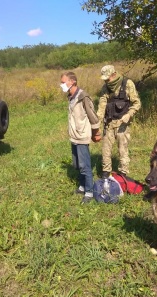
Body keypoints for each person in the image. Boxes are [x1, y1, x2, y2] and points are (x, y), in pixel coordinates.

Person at [60, 72, 101, 204]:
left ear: (72, 82)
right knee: (77, 164)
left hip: (82, 136)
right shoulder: (71, 97)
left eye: (63, 82)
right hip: (74, 136)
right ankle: (82, 186)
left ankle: (89, 192)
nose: (61, 85)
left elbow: (93, 116)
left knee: (85, 166)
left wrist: (96, 133)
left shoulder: (83, 96)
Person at [96, 65, 141, 178]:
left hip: (122, 124)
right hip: (109, 123)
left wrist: (129, 114)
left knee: (123, 150)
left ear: (114, 74)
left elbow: (137, 103)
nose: (106, 81)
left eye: (108, 78)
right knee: (106, 150)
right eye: (104, 79)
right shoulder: (105, 88)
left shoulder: (127, 84)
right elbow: (101, 107)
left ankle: (123, 174)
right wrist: (97, 124)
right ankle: (106, 173)